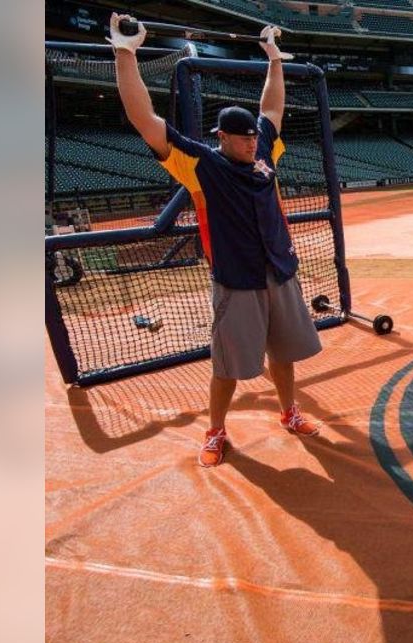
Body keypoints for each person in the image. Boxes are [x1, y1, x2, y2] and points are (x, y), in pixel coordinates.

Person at [108, 14, 321, 467]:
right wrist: (126, 53)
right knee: (227, 366)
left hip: (279, 270)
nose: (250, 144)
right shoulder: (199, 162)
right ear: (221, 137)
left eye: (252, 139)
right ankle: (216, 431)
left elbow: (272, 110)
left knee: (284, 355)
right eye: (241, 140)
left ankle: (289, 411)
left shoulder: (262, 148)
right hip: (236, 279)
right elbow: (143, 117)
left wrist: (274, 60)